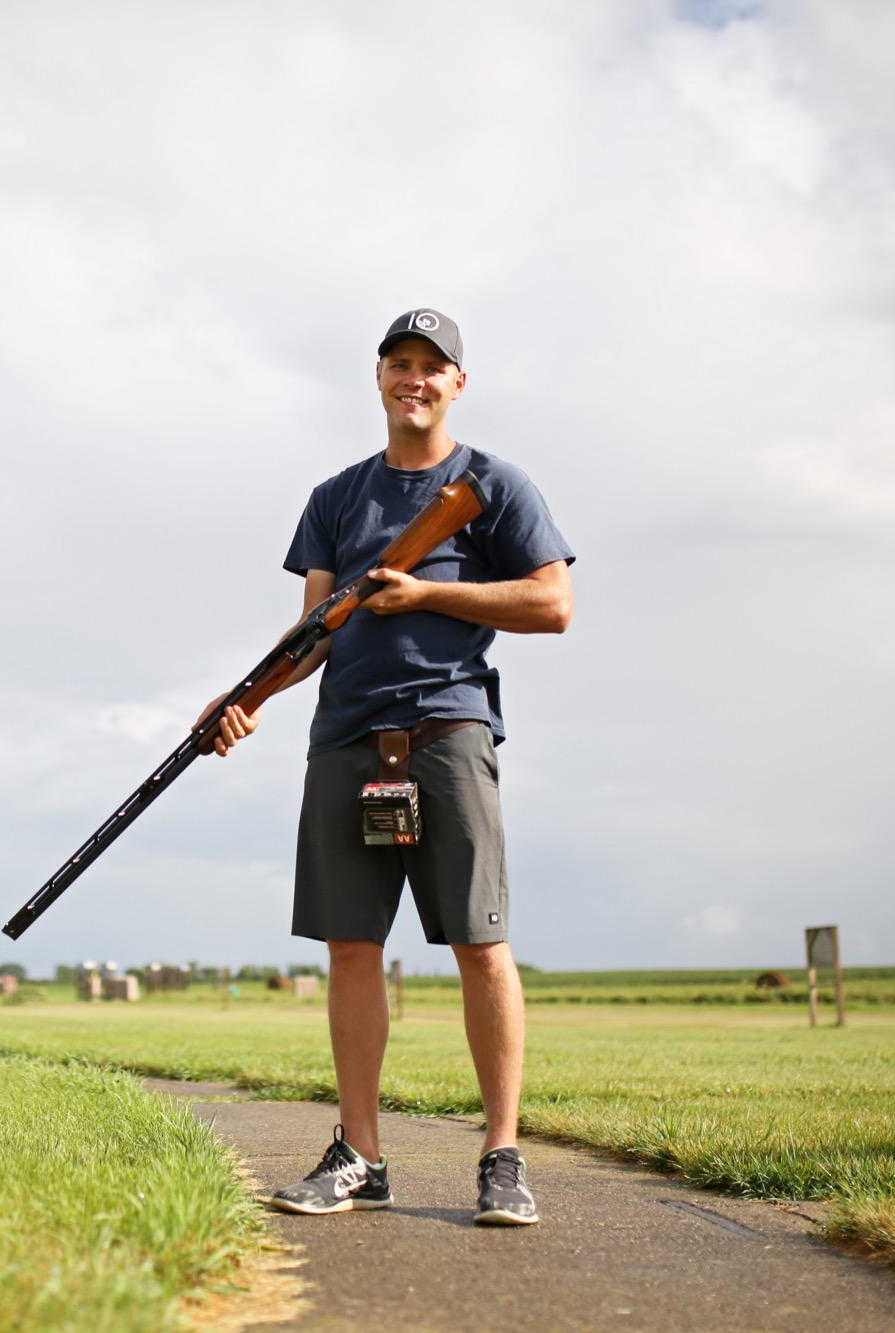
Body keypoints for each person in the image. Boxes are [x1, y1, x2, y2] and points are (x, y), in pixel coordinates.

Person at [202, 308, 574, 1225]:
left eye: (432, 366)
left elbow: (553, 603)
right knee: (351, 945)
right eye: (399, 362)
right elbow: (314, 632)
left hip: (449, 731)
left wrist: (428, 593)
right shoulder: (336, 498)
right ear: (378, 377)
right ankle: (360, 1155)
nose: (415, 378)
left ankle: (501, 1157)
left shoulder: (494, 484)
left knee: (480, 943)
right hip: (346, 739)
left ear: (457, 383)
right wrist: (245, 696)